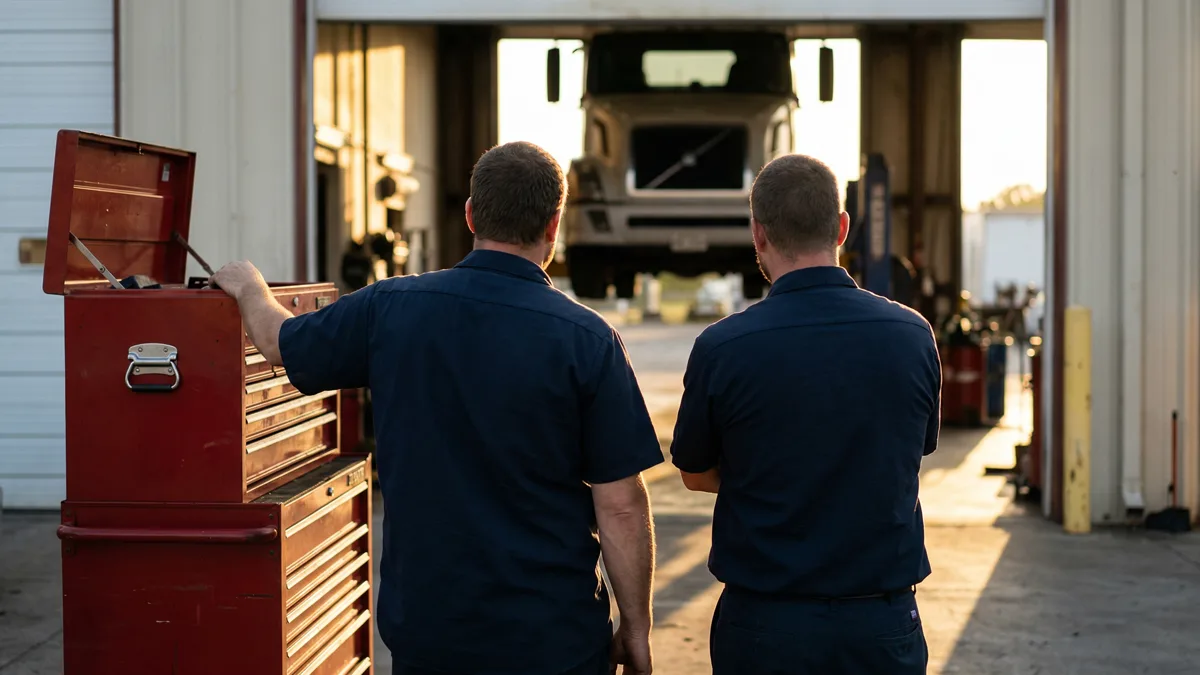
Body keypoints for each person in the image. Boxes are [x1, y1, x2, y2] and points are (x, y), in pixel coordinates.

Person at [211, 141, 663, 675]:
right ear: (553, 226)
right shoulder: (589, 340)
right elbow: (622, 507)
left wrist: (249, 287)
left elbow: (281, 343)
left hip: (433, 635)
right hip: (553, 637)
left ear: (471, 215)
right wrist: (635, 627)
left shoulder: (389, 308)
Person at [670, 154, 940, 674]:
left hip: (765, 626)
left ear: (758, 235)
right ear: (841, 227)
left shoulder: (723, 348)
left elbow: (694, 472)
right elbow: (913, 451)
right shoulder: (913, 336)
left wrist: (768, 479)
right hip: (880, 625)